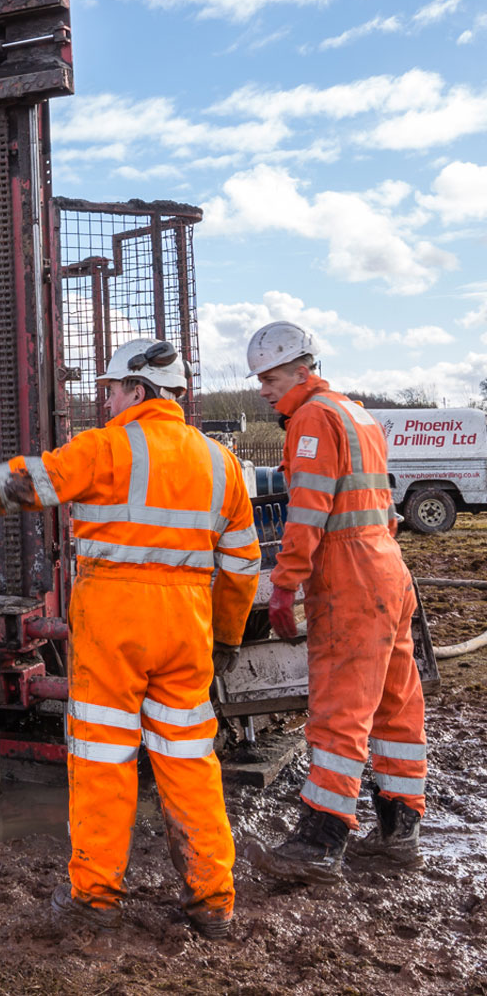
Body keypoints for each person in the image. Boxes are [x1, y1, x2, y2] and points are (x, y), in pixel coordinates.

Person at [0, 339, 260, 939]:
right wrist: (224, 637)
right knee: (190, 761)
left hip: (115, 624)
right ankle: (212, 900)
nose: (105, 399)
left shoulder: (107, 448)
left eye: (110, 389)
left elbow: (13, 485)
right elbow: (242, 567)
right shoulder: (221, 464)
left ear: (137, 391)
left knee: (102, 760)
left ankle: (96, 897)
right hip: (187, 626)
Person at [244, 321, 426, 883]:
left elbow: (308, 511)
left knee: (339, 709)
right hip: (387, 569)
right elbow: (382, 501)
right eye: (260, 379)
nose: (263, 389)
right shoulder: (359, 414)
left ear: (303, 370)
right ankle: (400, 831)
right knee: (395, 705)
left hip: (350, 575)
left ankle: (322, 839)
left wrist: (284, 581)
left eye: (271, 377)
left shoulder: (313, 419)